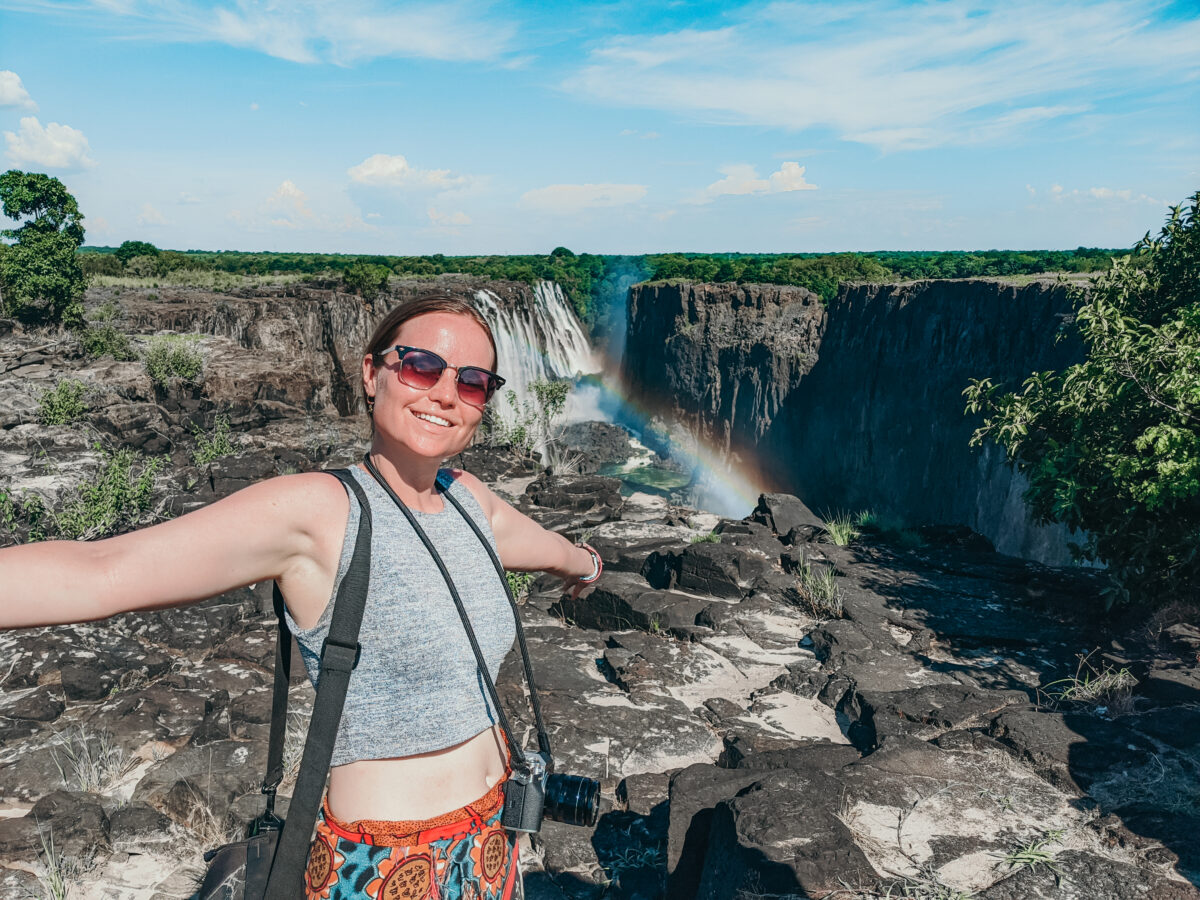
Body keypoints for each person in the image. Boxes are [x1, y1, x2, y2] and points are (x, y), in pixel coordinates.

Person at [0, 294, 601, 899]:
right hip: (387, 865)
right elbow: (104, 569)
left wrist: (590, 566)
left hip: (496, 841)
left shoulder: (471, 500)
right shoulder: (319, 511)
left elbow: (548, 547)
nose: (446, 393)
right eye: (421, 366)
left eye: (473, 382)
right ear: (372, 373)